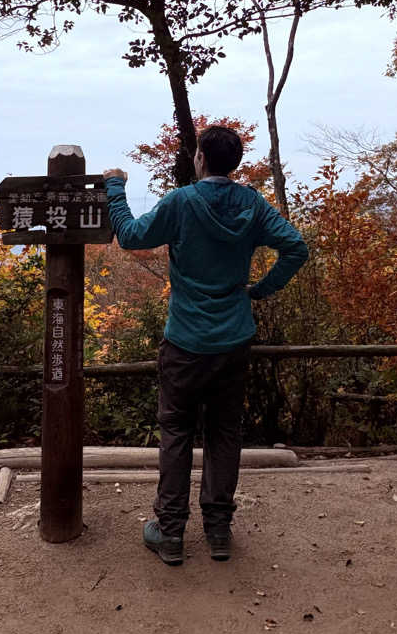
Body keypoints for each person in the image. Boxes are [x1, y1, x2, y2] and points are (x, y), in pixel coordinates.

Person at [103, 124, 308, 566]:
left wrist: (115, 187)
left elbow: (133, 236)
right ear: (233, 163)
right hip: (233, 340)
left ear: (199, 158)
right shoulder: (252, 205)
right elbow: (295, 247)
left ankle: (170, 532)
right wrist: (260, 290)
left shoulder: (181, 203)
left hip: (185, 341)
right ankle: (218, 530)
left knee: (176, 431)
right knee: (224, 433)